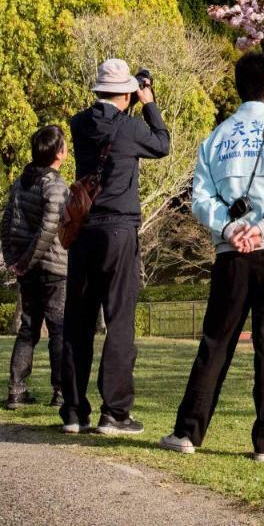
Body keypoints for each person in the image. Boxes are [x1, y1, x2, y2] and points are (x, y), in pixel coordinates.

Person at [159, 51, 264, 461]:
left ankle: (188, 433)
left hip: (230, 255)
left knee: (216, 343)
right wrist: (262, 228)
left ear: (237, 87)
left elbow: (200, 198)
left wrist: (230, 229)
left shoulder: (216, 138)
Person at [61, 58, 170, 435]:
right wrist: (149, 100)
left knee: (78, 321)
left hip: (84, 231)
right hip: (120, 229)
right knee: (119, 320)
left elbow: (107, 120)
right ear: (126, 93)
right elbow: (162, 144)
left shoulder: (78, 124)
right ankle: (115, 412)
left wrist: (129, 97)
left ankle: (74, 411)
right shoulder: (131, 127)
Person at [0, 125, 70, 410]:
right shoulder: (55, 186)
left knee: (28, 329)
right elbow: (49, 230)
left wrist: (13, 260)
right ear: (58, 153)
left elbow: (6, 222)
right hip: (53, 267)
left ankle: (17, 390)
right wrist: (24, 260)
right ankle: (61, 391)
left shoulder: (21, 181)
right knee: (58, 329)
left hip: (26, 268)